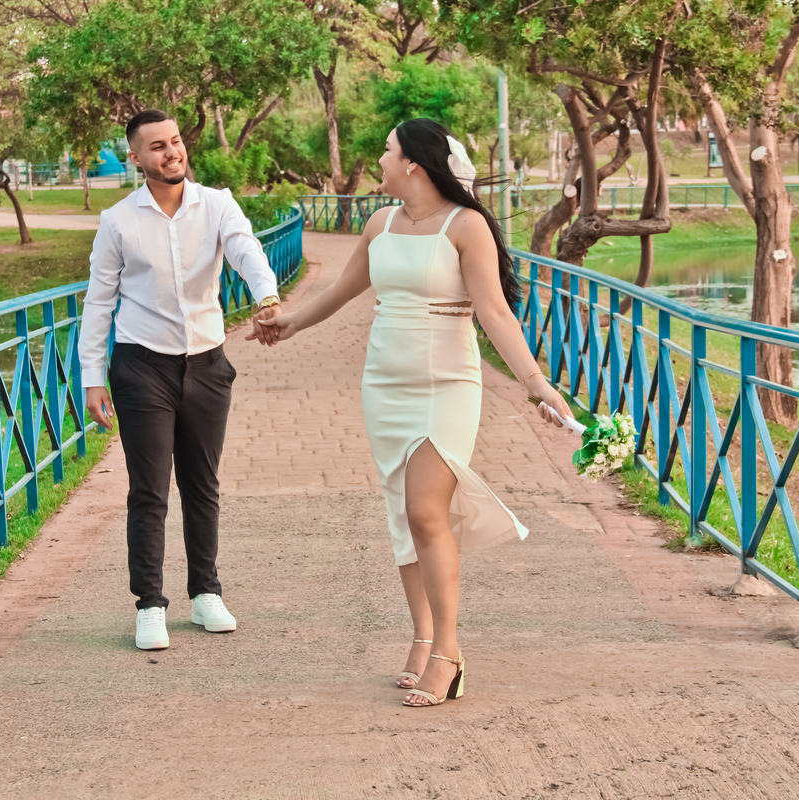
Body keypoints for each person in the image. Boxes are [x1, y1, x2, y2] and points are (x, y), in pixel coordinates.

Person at [252, 118, 574, 707]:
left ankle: (448, 655)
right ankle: (422, 638)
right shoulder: (380, 223)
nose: (378, 158)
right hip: (385, 386)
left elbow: (495, 314)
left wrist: (536, 386)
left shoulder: (466, 225)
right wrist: (288, 325)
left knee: (428, 513)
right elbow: (344, 291)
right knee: (405, 517)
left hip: (447, 385)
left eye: (386, 149)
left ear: (413, 164)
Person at [77, 109, 284, 651]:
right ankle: (149, 603)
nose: (171, 153)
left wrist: (266, 295)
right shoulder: (118, 221)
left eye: (175, 142)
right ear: (137, 159)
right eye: (157, 147)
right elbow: (99, 303)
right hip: (142, 366)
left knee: (202, 483)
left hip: (207, 364)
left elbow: (245, 250)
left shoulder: (216, 204)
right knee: (149, 490)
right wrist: (91, 378)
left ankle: (205, 593)